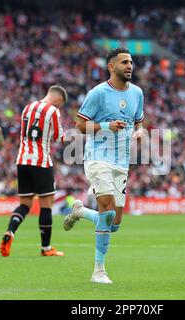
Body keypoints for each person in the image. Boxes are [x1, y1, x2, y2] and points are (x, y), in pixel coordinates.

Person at [63, 48, 145, 284]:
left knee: (114, 224)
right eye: (124, 62)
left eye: (131, 62)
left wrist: (140, 132)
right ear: (111, 67)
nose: (130, 66)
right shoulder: (98, 93)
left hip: (122, 161)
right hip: (98, 157)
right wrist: (108, 126)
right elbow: (79, 126)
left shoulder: (137, 93)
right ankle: (98, 270)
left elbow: (139, 122)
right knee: (107, 211)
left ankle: (80, 212)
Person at [0, 85, 68, 257]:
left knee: (24, 204)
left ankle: (10, 231)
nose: (59, 107)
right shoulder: (53, 111)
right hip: (40, 162)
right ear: (58, 99)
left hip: (22, 160)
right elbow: (59, 138)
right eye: (60, 104)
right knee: (46, 205)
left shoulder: (27, 108)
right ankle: (46, 248)